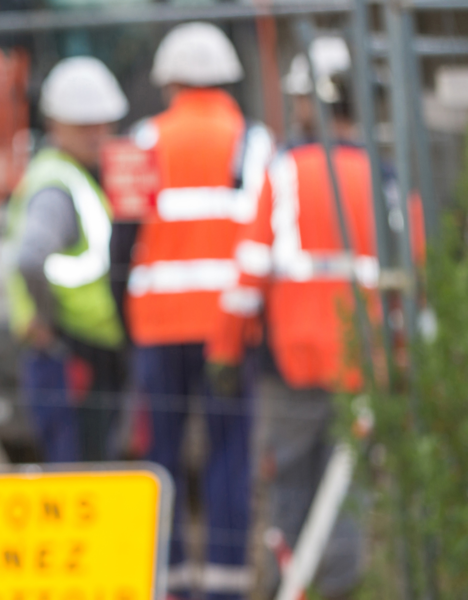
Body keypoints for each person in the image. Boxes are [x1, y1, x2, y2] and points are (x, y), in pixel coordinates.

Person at [206, 37, 422, 600]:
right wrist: (399, 356)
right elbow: (411, 276)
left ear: (311, 103)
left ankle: (286, 586)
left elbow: (250, 271)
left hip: (292, 361)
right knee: (347, 488)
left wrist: (225, 350)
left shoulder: (287, 173)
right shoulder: (389, 179)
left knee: (285, 485)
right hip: (364, 361)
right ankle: (339, 588)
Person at [128, 22, 273, 600]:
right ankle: (226, 584)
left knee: (160, 453)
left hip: (158, 328)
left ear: (170, 82)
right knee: (229, 452)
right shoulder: (253, 142)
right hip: (228, 329)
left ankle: (165, 580)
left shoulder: (143, 139)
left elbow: (122, 235)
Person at [6, 57, 131, 464]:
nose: (98, 135)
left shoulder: (75, 176)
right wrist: (45, 320)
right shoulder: (57, 187)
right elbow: (29, 259)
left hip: (84, 348)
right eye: (85, 125)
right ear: (56, 124)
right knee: (80, 469)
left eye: (103, 123)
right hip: (70, 349)